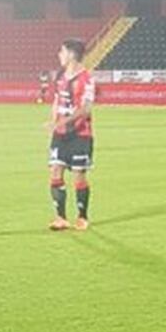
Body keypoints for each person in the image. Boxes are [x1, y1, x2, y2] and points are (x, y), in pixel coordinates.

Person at [46, 38, 95, 232]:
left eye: (62, 51)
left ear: (72, 54)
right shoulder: (59, 75)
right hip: (60, 134)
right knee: (55, 171)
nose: (59, 54)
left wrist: (62, 122)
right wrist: (53, 121)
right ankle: (61, 218)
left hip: (81, 134)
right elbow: (56, 101)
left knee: (78, 176)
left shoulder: (87, 78)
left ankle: (82, 217)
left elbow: (86, 109)